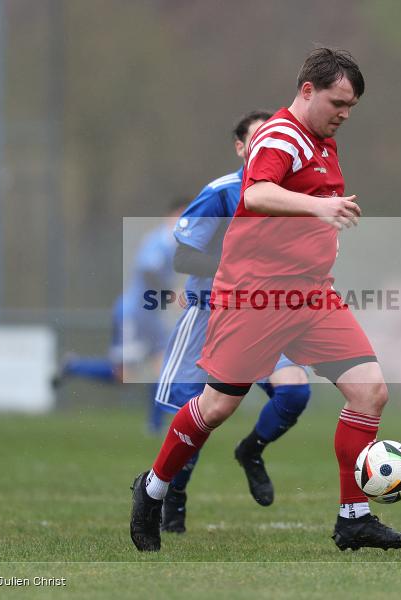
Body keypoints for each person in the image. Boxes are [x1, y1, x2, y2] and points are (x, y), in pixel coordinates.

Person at [130, 48, 401, 551]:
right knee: (217, 407)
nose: (346, 113)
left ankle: (354, 519)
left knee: (370, 391)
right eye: (339, 101)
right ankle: (152, 491)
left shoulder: (323, 140)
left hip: (312, 297)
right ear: (308, 90)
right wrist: (319, 208)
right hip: (256, 298)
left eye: (352, 105)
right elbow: (257, 194)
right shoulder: (282, 133)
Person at [154, 110, 312, 533]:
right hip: (209, 316)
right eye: (258, 139)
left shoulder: (291, 195)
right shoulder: (222, 192)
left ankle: (252, 450)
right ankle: (174, 497)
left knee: (295, 392)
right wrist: (236, 264)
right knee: (198, 417)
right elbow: (183, 255)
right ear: (241, 148)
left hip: (262, 317)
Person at [52, 202, 185, 434]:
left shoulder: (176, 244)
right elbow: (148, 271)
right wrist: (170, 295)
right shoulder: (159, 240)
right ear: (170, 217)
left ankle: (155, 426)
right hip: (133, 314)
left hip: (149, 316)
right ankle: (74, 366)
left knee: (163, 365)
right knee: (123, 376)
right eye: (181, 216)